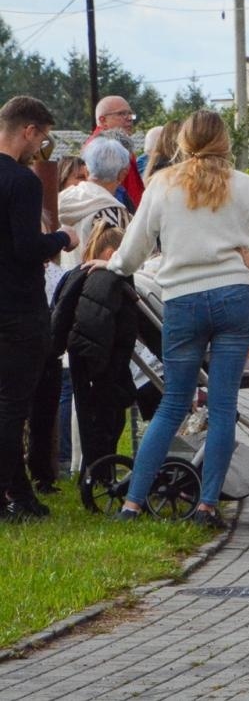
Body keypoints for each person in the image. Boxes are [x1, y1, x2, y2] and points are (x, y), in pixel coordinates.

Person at [100, 110, 249, 528]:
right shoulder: (245, 186)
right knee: (223, 404)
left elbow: (135, 245)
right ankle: (207, 506)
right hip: (237, 295)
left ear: (183, 142)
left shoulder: (162, 184)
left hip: (183, 299)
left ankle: (133, 504)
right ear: (224, 142)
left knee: (173, 403)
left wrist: (112, 267)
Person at [0, 96, 77, 521]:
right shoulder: (23, 182)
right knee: (14, 406)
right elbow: (27, 248)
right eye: (42, 138)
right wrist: (63, 238)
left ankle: (21, 492)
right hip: (18, 307)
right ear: (29, 130)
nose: (40, 149)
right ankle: (6, 494)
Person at [53, 222, 145, 477]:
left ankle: (93, 472)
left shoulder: (79, 274)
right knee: (107, 419)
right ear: (112, 253)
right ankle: (100, 474)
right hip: (103, 361)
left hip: (87, 358)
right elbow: (105, 323)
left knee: (92, 420)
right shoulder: (111, 279)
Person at [57, 137, 133, 268]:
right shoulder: (115, 214)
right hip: (94, 285)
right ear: (122, 174)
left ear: (86, 171)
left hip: (63, 284)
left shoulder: (57, 201)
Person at [90, 95, 144, 210]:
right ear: (102, 120)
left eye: (130, 114)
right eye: (121, 114)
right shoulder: (101, 148)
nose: (129, 118)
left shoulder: (122, 143)